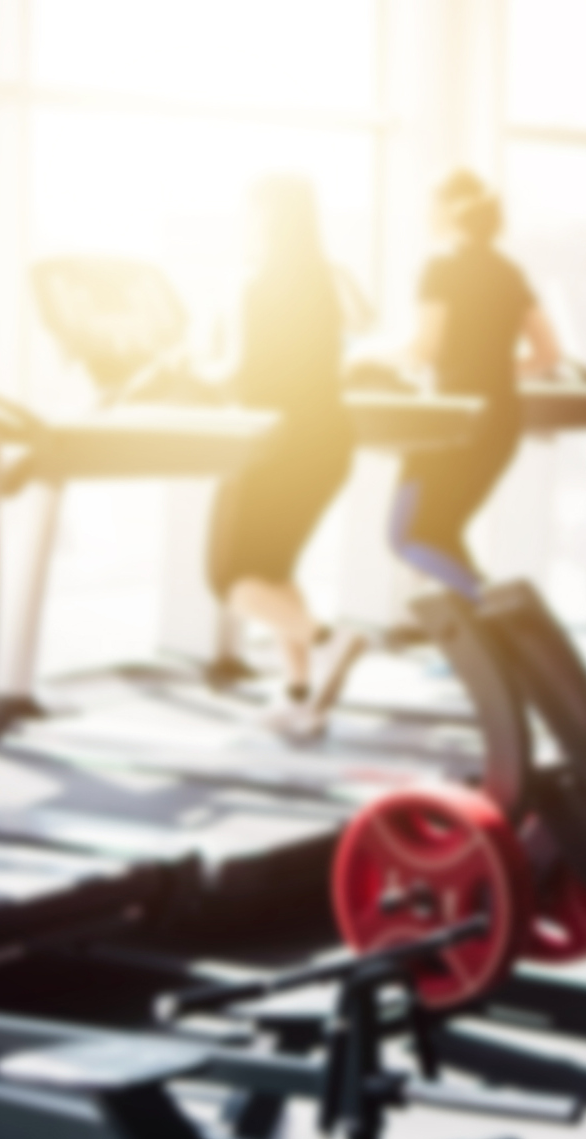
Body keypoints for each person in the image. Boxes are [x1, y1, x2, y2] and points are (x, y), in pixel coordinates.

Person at [208, 175, 368, 742]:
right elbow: (351, 341)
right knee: (275, 573)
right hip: (329, 442)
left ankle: (328, 641)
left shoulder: (254, 285)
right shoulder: (325, 281)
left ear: (264, 219)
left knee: (228, 579)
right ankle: (299, 697)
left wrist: (191, 374)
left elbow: (238, 372)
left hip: (277, 444)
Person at [392, 172, 562, 598]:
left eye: (431, 205)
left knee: (410, 536)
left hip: (453, 426)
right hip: (502, 422)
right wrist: (495, 372)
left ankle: (494, 610)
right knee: (442, 534)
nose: (425, 214)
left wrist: (367, 361)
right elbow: (548, 354)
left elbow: (425, 348)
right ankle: (493, 636)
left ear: (450, 211)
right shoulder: (509, 271)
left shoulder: (440, 267)